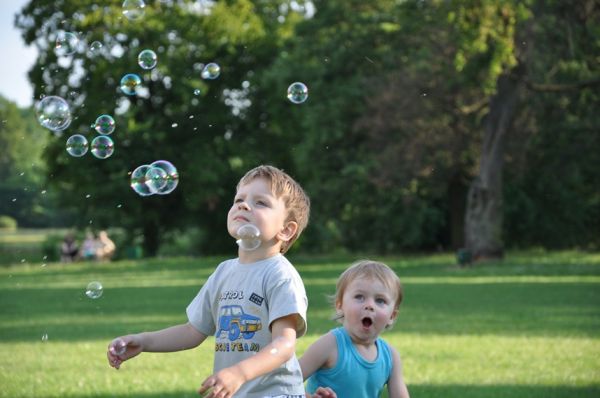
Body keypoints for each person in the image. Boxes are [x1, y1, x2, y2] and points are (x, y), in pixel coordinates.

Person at [107, 165, 311, 398]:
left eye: (260, 202)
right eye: (239, 200)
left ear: (286, 230)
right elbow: (192, 330)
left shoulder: (280, 275)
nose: (243, 205)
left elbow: (284, 345)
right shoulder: (224, 272)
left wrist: (240, 373)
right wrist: (143, 341)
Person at [300, 260, 410, 398]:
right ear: (340, 305)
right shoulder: (329, 345)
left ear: (392, 315)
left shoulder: (390, 356)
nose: (369, 305)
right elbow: (284, 383)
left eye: (380, 300)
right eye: (359, 297)